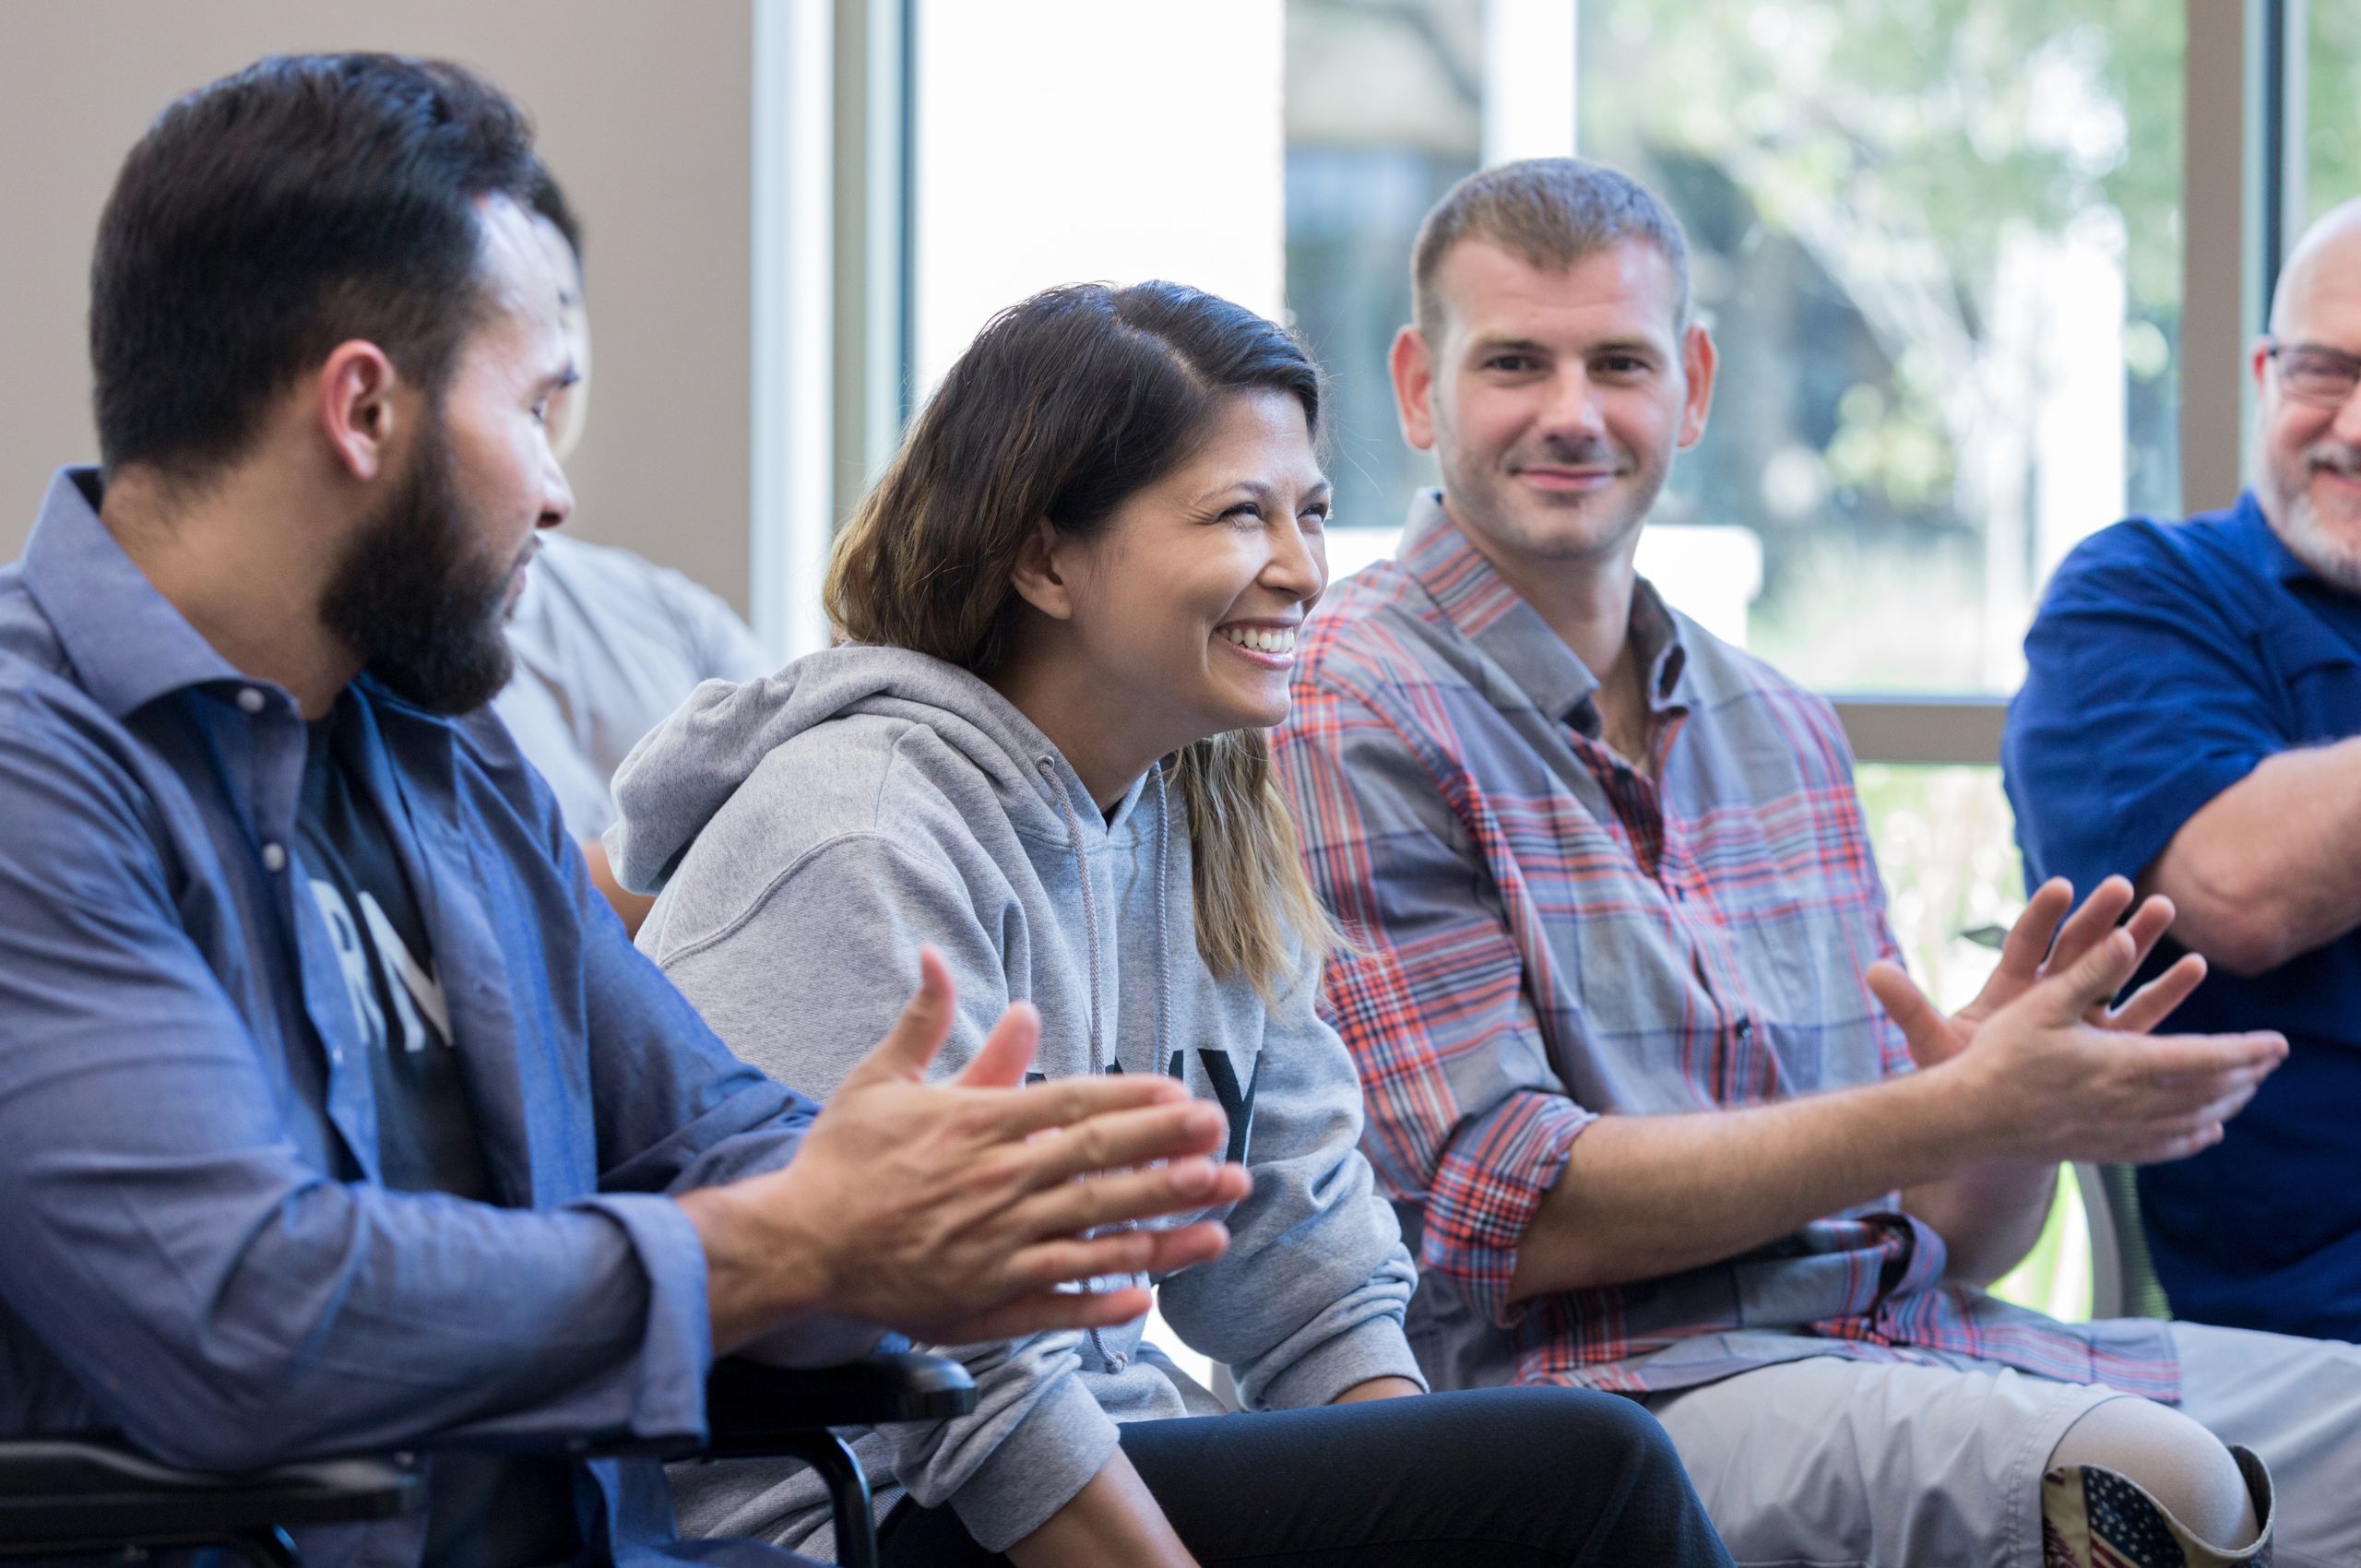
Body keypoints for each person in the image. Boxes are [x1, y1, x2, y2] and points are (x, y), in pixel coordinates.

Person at [0, 54, 1255, 1568]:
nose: (557, 495)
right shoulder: (38, 770)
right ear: (361, 408)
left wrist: (914, 1206)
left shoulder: (440, 762)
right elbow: (245, 1317)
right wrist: (793, 1240)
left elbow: (702, 1129)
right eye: (540, 408)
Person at [1270, 157, 2361, 1568]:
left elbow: (1947, 1239)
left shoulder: (1776, 725)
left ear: (1694, 384)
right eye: (1514, 364)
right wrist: (1939, 1111)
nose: (1573, 412)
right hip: (1594, 1404)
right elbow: (1501, 1220)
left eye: (1619, 361)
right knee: (2153, 1481)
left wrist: (2005, 1104)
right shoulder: (1343, 700)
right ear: (1419, 387)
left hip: (1911, 1343)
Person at [611, 280, 1734, 1567]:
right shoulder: (859, 830)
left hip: (1077, 1455)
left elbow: (1309, 1273)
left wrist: (1418, 1514)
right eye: (1237, 515)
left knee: (1531, 1490)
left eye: (1310, 512)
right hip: (850, 1508)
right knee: (1590, 1472)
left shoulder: (1200, 817)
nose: (1305, 570)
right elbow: (979, 1392)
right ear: (1045, 558)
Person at [2006, 199, 2361, 1345]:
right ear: (2264, 372)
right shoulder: (2145, 596)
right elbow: (2234, 891)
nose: (2352, 425)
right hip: (2303, 1323)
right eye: (2324, 369)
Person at [492, 171, 771, 934]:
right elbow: (484, 909)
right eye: (502, 319)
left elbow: (811, 799)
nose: (551, 358)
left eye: (559, 311)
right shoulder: (372, 649)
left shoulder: (669, 611)